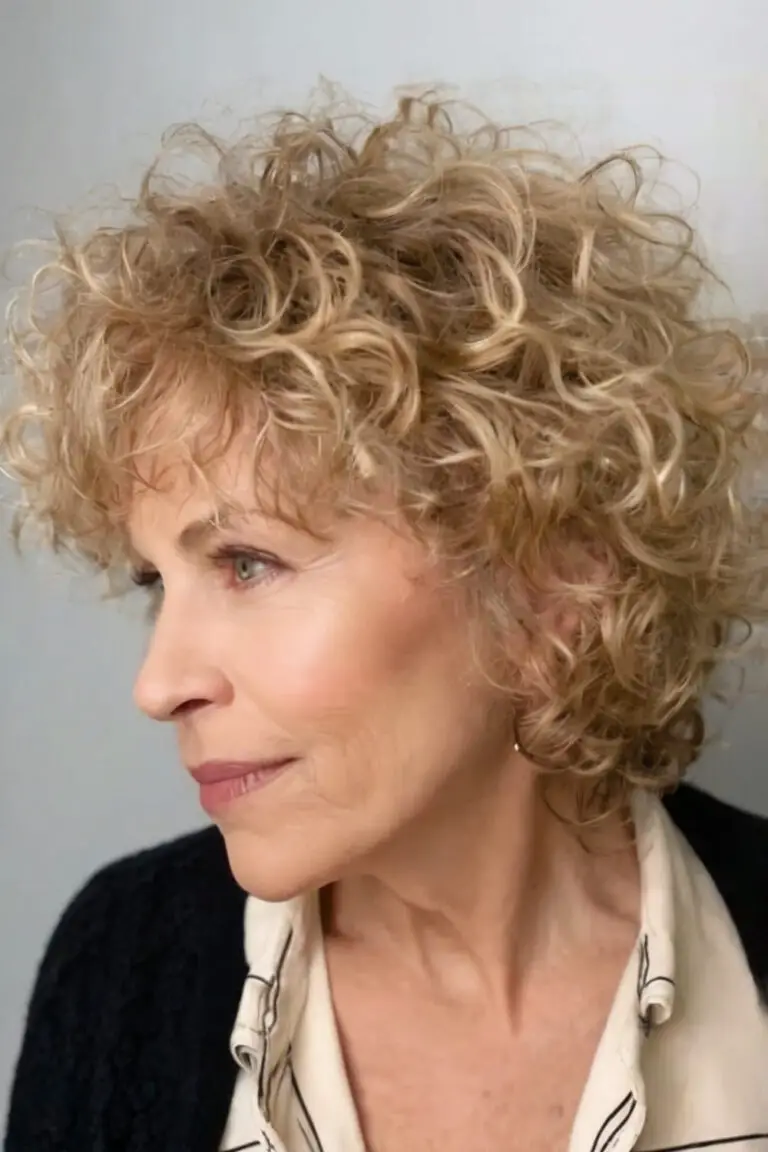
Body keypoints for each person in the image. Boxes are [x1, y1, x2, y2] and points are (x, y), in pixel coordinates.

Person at [2, 92, 768, 1152]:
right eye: (153, 583)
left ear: (551, 589)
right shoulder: (122, 965)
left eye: (248, 563)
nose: (158, 683)